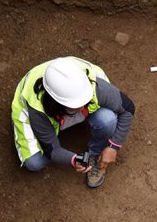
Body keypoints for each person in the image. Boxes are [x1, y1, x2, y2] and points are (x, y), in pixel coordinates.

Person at [11, 57, 135, 188]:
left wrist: (113, 147)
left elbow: (128, 109)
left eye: (83, 101)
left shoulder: (92, 87)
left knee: (107, 119)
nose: (82, 107)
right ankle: (57, 124)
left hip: (72, 94)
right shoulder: (37, 110)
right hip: (39, 110)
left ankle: (95, 154)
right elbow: (52, 151)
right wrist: (73, 159)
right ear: (56, 103)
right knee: (34, 162)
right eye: (75, 105)